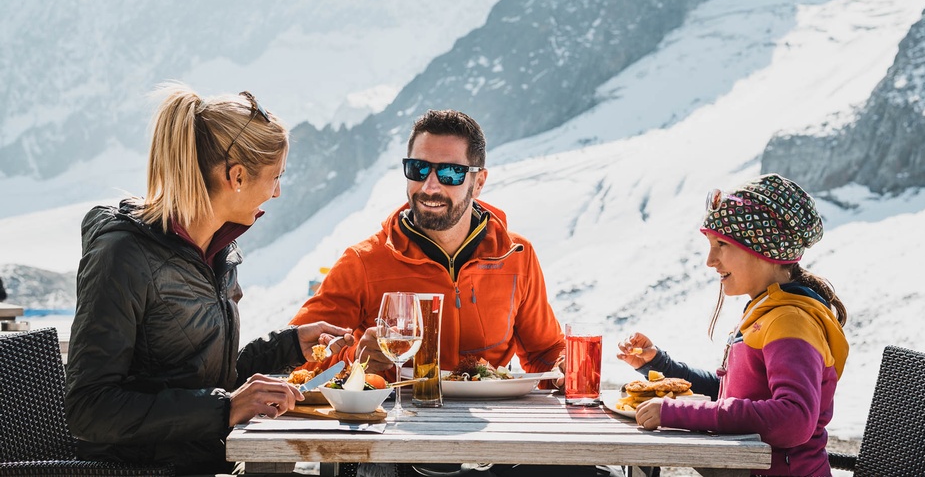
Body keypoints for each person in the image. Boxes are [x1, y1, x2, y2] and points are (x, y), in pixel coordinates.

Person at [291, 110, 606, 476]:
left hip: (496, 438)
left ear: (479, 180)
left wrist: (565, 365)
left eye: (451, 173)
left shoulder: (516, 255)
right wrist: (355, 360)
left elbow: (543, 350)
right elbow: (298, 359)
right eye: (418, 169)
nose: (430, 186)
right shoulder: (364, 262)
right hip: (396, 441)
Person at [65, 84, 354, 475]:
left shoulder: (217, 253)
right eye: (275, 177)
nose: (277, 192)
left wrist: (287, 347)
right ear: (236, 176)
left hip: (205, 460)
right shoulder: (123, 256)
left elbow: (202, 376)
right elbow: (90, 409)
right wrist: (227, 408)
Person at [618, 174, 849, 477]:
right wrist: (659, 365)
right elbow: (732, 399)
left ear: (763, 250)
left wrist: (676, 412)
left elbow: (794, 419)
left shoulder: (790, 321)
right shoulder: (766, 312)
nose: (710, 261)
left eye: (721, 245)